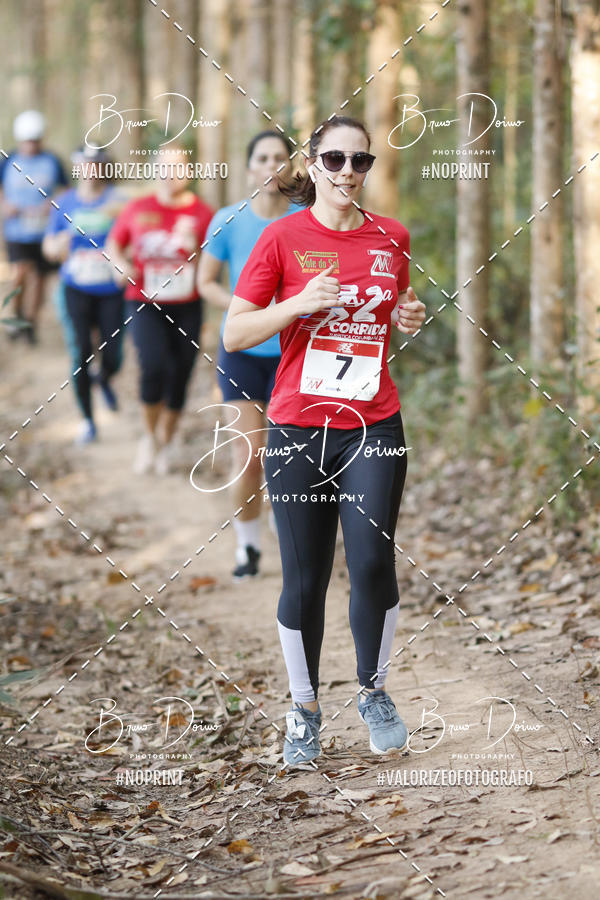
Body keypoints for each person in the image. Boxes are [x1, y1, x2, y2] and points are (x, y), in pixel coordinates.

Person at [224, 115, 426, 766]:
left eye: (359, 162)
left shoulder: (390, 236)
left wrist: (408, 315)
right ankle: (305, 706)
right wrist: (297, 304)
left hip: (373, 421)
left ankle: (373, 690)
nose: (346, 173)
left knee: (371, 563)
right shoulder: (281, 239)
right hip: (297, 424)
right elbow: (234, 333)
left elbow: (396, 308)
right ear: (311, 166)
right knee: (305, 579)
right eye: (334, 160)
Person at [197, 130, 298, 580]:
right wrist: (249, 311)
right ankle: (248, 547)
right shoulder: (228, 218)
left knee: (290, 455)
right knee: (250, 453)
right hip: (240, 350)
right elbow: (206, 283)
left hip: (294, 352)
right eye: (263, 157)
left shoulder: (306, 219)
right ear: (249, 167)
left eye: (280, 157)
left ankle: (287, 526)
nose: (272, 165)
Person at [106, 147, 213, 475]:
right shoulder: (138, 208)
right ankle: (149, 437)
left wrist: (195, 245)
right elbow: (114, 245)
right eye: (164, 168)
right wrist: (120, 265)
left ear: (188, 172)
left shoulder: (203, 213)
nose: (171, 174)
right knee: (153, 367)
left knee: (180, 374)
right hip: (144, 301)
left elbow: (214, 261)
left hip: (187, 305)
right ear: (154, 171)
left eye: (178, 168)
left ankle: (166, 442)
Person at [42, 146, 126, 444]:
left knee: (114, 356)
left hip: (111, 291)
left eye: (96, 164)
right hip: (75, 289)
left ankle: (103, 379)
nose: (90, 170)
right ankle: (89, 421)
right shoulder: (64, 203)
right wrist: (64, 240)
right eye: (84, 164)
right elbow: (49, 249)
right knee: (80, 353)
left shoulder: (118, 201)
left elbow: (134, 232)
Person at [0, 110, 68, 343]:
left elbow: (66, 189)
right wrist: (6, 204)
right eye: (27, 141)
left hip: (43, 231)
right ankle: (15, 314)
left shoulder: (52, 161)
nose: (31, 145)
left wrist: (54, 203)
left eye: (35, 140)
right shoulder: (8, 160)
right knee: (20, 272)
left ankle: (31, 321)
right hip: (16, 230)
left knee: (40, 278)